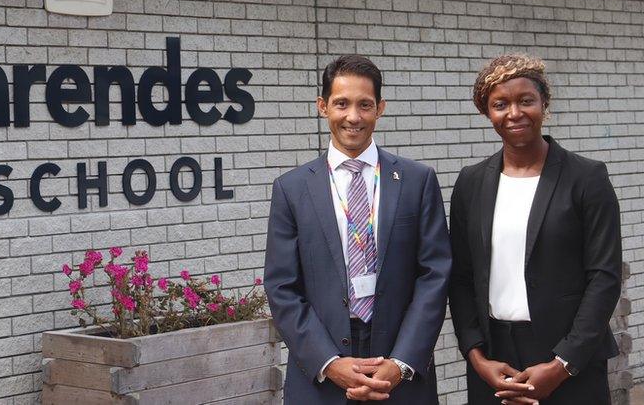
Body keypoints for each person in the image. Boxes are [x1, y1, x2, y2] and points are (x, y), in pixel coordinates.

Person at [264, 54, 452, 404]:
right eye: (341, 104)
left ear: (380, 108)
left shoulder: (417, 180)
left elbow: (434, 275)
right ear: (323, 107)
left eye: (365, 105)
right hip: (321, 372)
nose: (353, 116)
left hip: (400, 366)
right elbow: (282, 286)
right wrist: (328, 361)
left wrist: (401, 362)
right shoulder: (290, 189)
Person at [448, 54, 621, 405]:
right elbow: (462, 277)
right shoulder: (471, 183)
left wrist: (562, 364)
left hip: (570, 360)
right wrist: (477, 358)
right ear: (487, 112)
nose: (514, 113)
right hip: (495, 361)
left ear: (544, 103)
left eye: (526, 100)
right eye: (500, 104)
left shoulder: (586, 178)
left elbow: (604, 277)